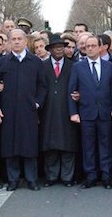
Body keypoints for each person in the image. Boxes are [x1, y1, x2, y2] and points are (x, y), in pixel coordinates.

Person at [0, 29, 47, 191]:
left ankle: (31, 179)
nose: (16, 42)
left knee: (29, 145)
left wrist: (37, 103)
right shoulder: (3, 62)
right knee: (10, 145)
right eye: (13, 39)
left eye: (19, 39)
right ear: (9, 42)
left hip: (28, 110)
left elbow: (42, 86)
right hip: (8, 110)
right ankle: (13, 179)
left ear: (25, 41)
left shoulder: (35, 62)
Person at [68, 35, 112, 189]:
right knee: (88, 147)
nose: (89, 48)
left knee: (105, 145)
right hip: (86, 113)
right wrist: (73, 112)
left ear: (100, 47)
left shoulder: (109, 66)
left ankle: (106, 175)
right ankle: (90, 175)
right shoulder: (77, 67)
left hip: (104, 112)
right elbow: (72, 90)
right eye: (87, 46)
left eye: (93, 45)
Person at [40, 35, 79, 187]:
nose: (59, 49)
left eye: (62, 47)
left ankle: (67, 177)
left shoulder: (73, 65)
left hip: (67, 109)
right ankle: (51, 176)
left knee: (68, 145)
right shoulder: (42, 66)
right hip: (48, 111)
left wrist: (79, 95)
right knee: (50, 145)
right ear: (50, 50)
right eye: (56, 47)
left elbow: (79, 85)